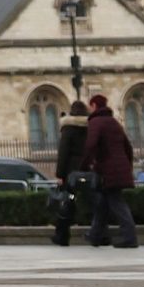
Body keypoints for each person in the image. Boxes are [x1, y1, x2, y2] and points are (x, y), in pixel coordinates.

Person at [85, 93, 141, 249]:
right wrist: (127, 166)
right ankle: (95, 235)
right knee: (102, 203)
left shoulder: (96, 122)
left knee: (117, 202)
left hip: (107, 170)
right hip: (118, 168)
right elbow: (128, 147)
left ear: (94, 106)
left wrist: (85, 164)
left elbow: (90, 145)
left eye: (90, 106)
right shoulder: (114, 122)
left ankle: (130, 238)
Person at [52, 99, 91, 245]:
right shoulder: (90, 126)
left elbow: (63, 152)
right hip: (88, 169)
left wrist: (60, 174)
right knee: (93, 201)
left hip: (71, 171)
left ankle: (62, 236)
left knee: (67, 202)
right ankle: (100, 232)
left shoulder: (68, 127)